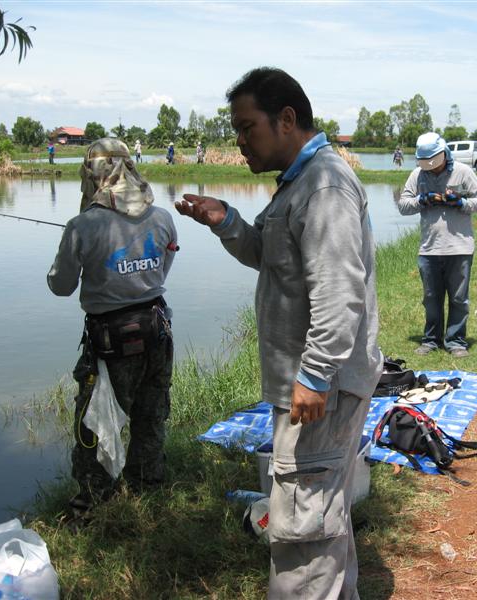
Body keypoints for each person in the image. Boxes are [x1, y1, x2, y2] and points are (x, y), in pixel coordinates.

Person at [174, 67, 381, 599]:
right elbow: (269, 255)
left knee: (302, 527)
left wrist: (314, 376)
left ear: (286, 119)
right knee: (320, 514)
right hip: (315, 383)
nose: (240, 141)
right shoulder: (298, 182)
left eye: (247, 127)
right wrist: (226, 222)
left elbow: (339, 291)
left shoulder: (325, 185)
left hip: (321, 389)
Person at [47, 138, 178, 518]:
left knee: (94, 422)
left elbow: (61, 286)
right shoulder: (163, 218)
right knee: (151, 414)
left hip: (111, 342)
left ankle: (93, 501)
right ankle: (147, 486)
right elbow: (161, 272)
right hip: (157, 331)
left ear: (92, 173)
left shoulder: (83, 225)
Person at [396, 132, 477, 358]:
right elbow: (403, 205)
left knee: (458, 298)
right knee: (431, 298)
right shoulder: (417, 175)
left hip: (460, 247)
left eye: (434, 163)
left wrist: (461, 202)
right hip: (429, 248)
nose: (431, 168)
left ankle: (456, 341)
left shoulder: (464, 172)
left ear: (444, 154)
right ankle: (431, 340)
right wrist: (422, 199)